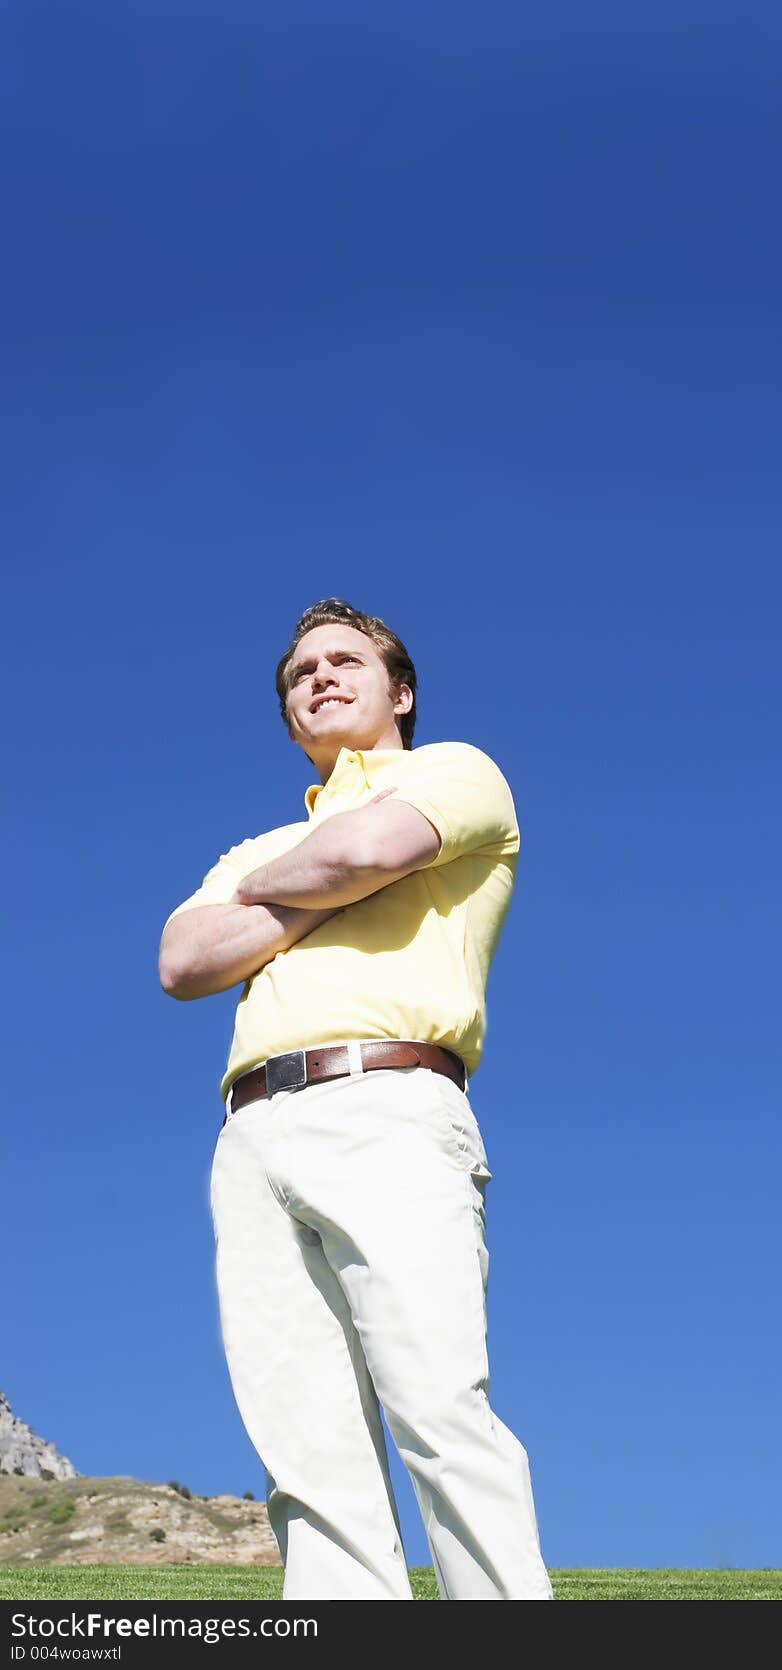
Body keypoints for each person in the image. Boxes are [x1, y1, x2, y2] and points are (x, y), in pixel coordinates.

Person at [159, 598, 553, 1601]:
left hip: (389, 1097)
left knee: (437, 1407)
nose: (319, 677)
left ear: (399, 690)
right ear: (289, 714)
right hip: (249, 1134)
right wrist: (321, 876)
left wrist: (278, 897)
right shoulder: (251, 845)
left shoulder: (453, 772)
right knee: (308, 1453)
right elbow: (180, 958)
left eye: (344, 660)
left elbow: (367, 852)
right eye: (299, 673)